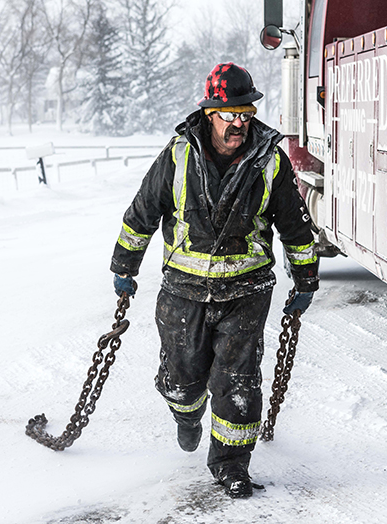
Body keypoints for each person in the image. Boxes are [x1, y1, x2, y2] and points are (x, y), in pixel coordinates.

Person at [110, 63, 319, 498]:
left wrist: (305, 279)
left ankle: (230, 465)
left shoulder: (269, 160)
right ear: (210, 115)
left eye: (245, 113)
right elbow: (142, 213)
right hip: (182, 291)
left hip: (246, 291)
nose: (240, 123)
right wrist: (124, 267)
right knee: (182, 381)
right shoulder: (177, 156)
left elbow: (295, 226)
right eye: (230, 115)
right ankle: (186, 416)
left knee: (237, 382)